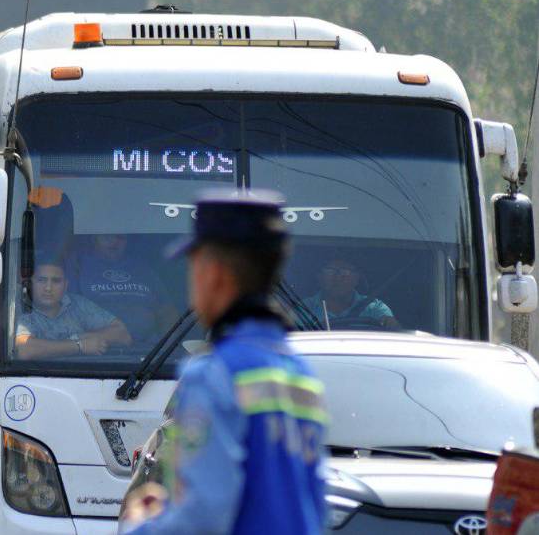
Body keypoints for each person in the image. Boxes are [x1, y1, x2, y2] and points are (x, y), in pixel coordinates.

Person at [122, 192, 327, 535]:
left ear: (214, 274)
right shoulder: (300, 373)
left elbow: (204, 515)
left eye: (191, 268)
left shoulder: (213, 374)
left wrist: (140, 527)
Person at [15, 260, 132, 359]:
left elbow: (122, 334)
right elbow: (24, 349)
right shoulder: (18, 307)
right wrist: (79, 345)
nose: (48, 287)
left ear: (66, 285)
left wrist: (80, 337)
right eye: (41, 280)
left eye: (56, 281)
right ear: (30, 284)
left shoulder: (77, 304)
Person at [77, 234, 177, 343]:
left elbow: (167, 310)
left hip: (149, 351)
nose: (114, 242)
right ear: (94, 238)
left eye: (120, 237)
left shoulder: (142, 269)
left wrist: (168, 344)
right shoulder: (77, 267)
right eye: (107, 237)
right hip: (95, 351)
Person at [301, 257, 399, 330]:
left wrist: (390, 323)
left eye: (346, 272)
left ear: (357, 279)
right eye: (331, 271)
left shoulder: (374, 308)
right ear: (319, 277)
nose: (338, 278)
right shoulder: (302, 309)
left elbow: (392, 331)